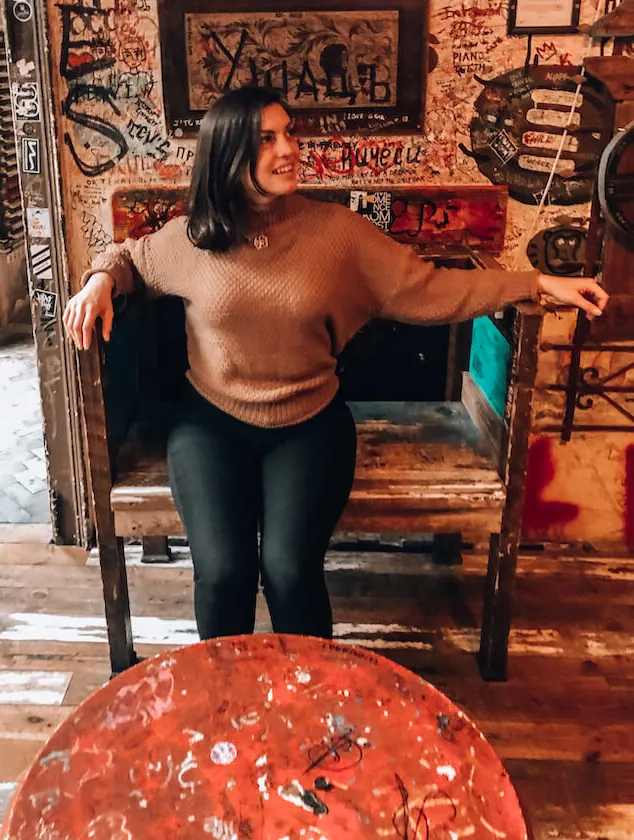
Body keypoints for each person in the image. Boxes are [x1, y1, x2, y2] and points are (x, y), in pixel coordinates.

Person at [63, 86, 608, 641]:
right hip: (211, 424)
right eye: (267, 139)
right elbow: (130, 257)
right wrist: (100, 280)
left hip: (307, 427)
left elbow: (430, 287)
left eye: (290, 133)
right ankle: (222, 706)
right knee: (224, 572)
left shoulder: (336, 233)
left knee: (290, 571)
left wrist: (534, 282)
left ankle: (313, 706)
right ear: (228, 153)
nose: (289, 149)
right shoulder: (195, 237)